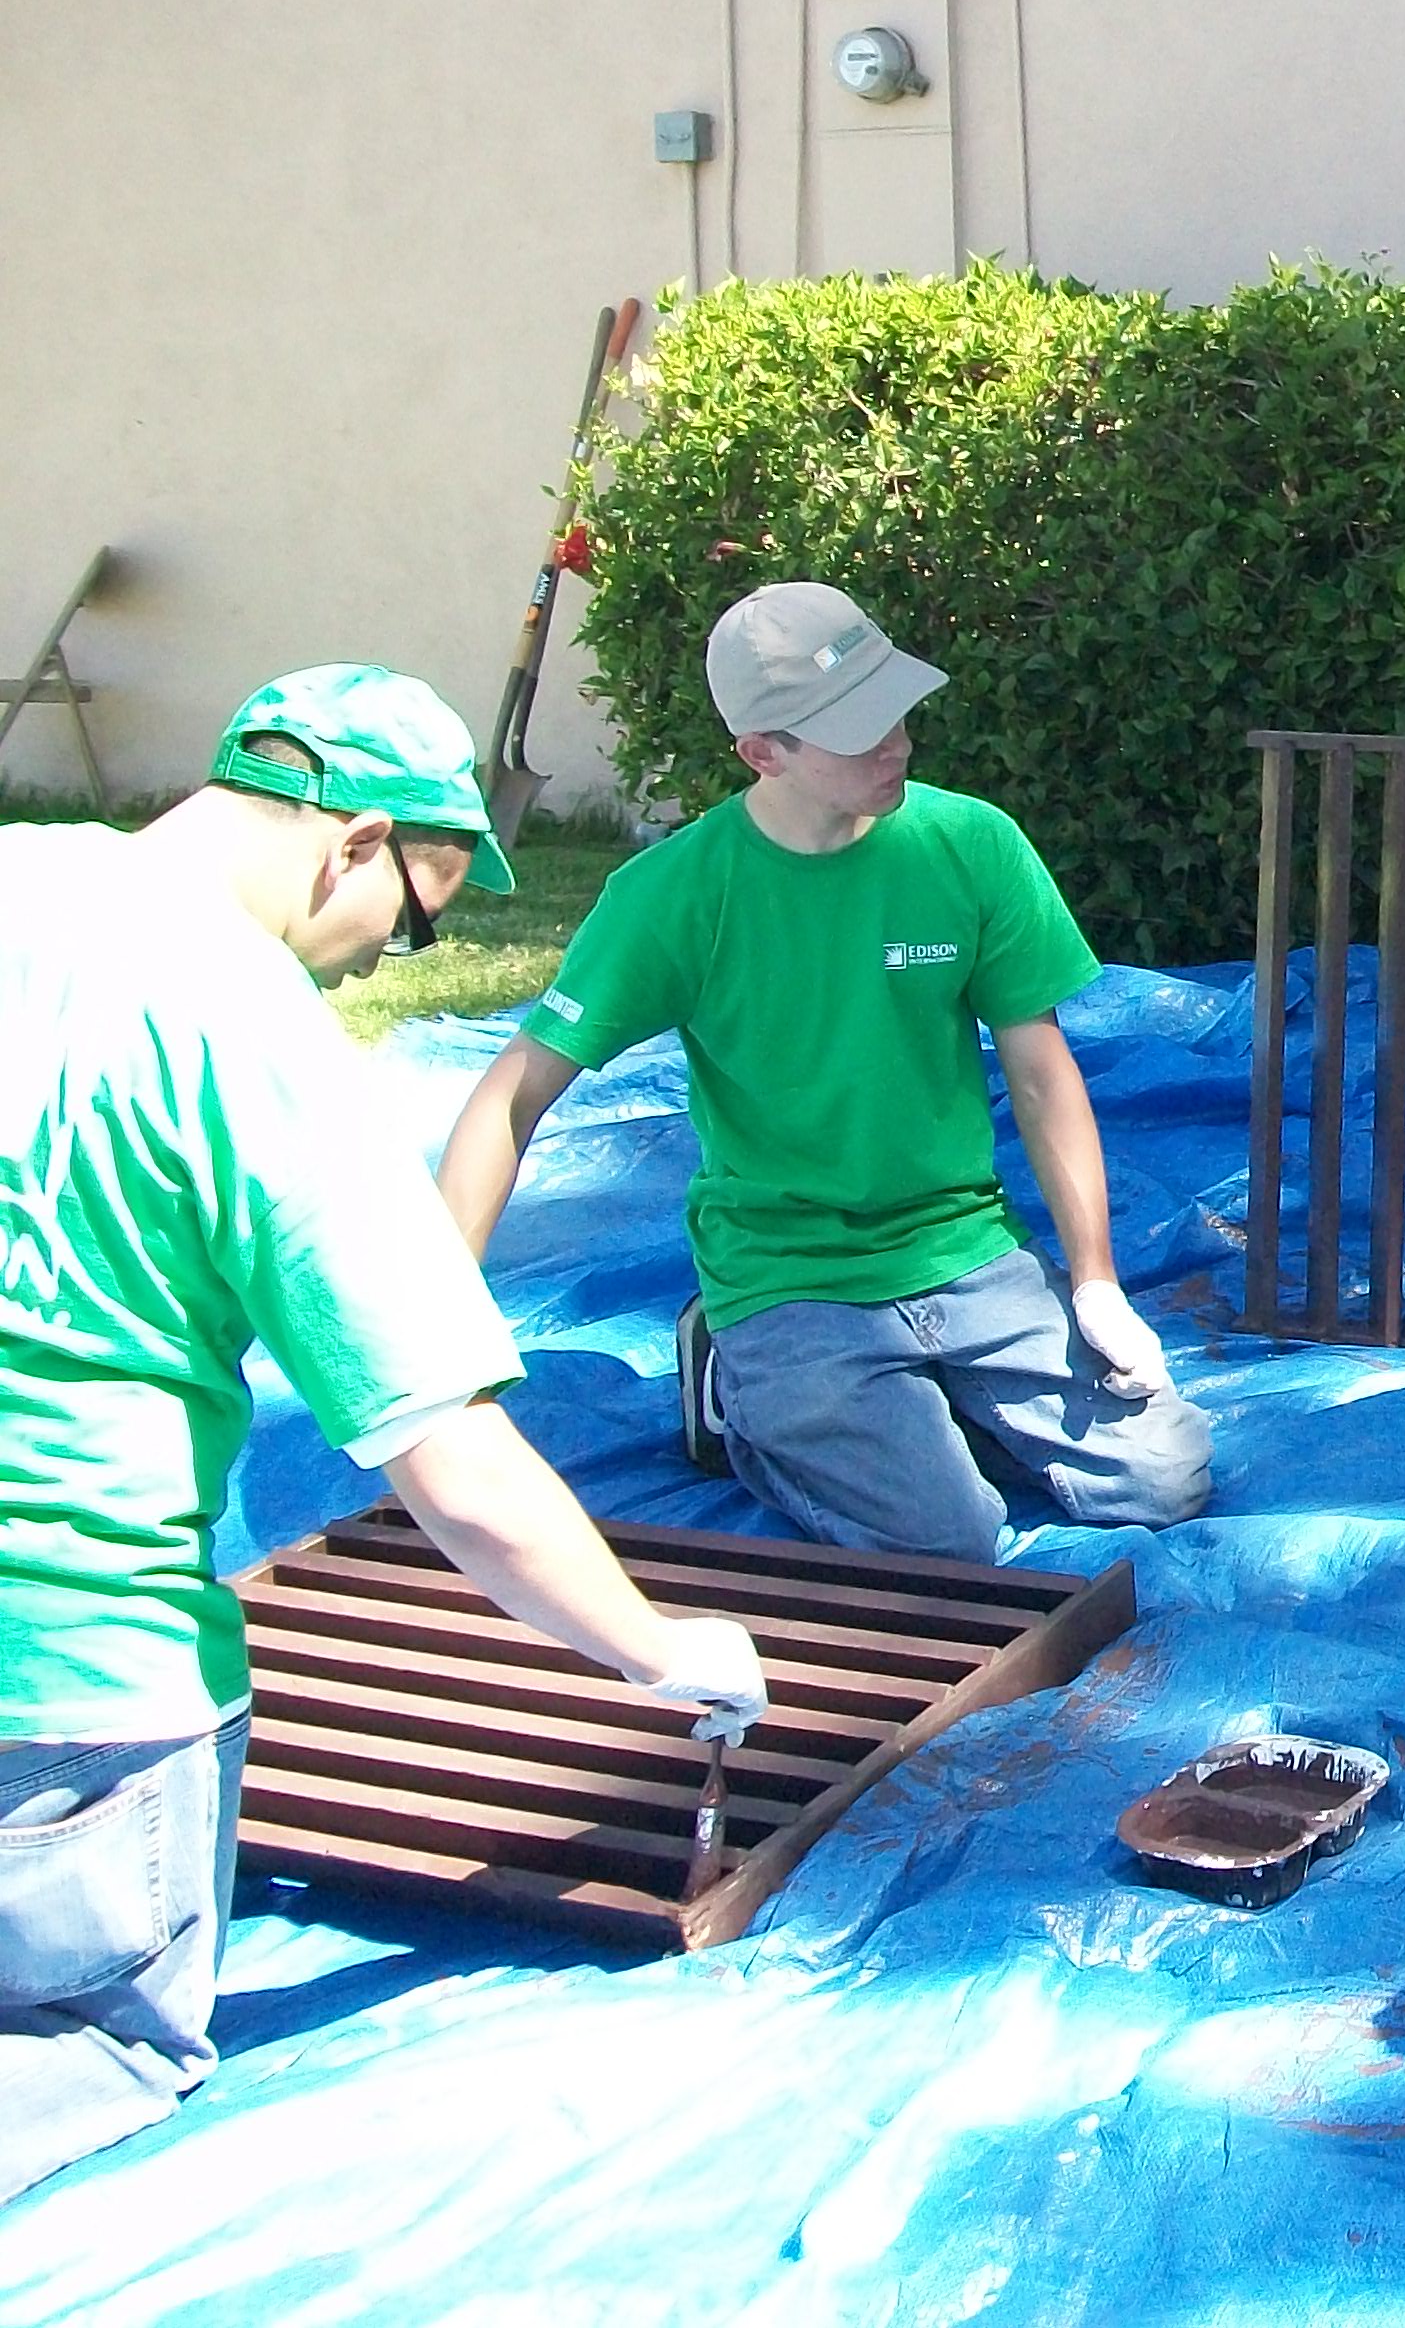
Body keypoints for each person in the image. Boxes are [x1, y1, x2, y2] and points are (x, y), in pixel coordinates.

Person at [1, 667, 768, 2205]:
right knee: (88, 2058)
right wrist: (658, 1649)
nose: (379, 963)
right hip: (76, 1694)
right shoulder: (255, 1038)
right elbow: (455, 1465)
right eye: (414, 921)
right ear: (352, 843)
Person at [437, 585, 1209, 1563]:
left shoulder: (970, 844)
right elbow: (511, 1096)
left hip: (965, 1251)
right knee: (947, 1542)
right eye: (855, 730)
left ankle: (900, 1415)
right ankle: (739, 1394)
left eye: (896, 709)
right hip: (789, 1273)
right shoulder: (674, 896)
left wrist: (1096, 1284)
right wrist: (436, 1325)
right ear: (763, 752)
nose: (896, 744)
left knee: (1166, 1479)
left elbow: (1043, 1072)